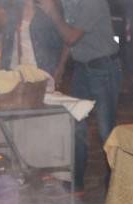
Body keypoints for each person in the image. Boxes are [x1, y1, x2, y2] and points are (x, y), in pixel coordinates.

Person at [37, 0, 121, 191]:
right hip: (83, 68)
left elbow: (72, 36)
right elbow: (70, 36)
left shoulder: (92, 3)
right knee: (76, 124)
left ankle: (116, 184)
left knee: (105, 129)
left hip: (103, 68)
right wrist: (61, 67)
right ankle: (76, 182)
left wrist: (53, 14)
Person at [0, 0, 65, 89]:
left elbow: (59, 44)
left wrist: (58, 69)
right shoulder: (13, 11)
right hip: (14, 72)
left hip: (39, 74)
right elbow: (6, 45)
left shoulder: (48, 12)